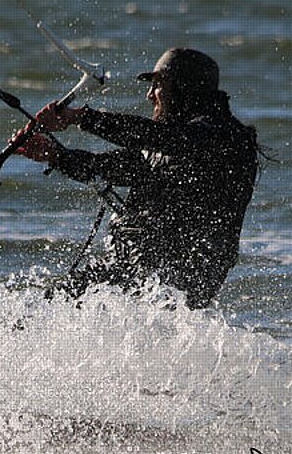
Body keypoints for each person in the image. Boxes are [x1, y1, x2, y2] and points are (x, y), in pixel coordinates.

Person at [14, 47, 260, 309]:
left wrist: (82, 117)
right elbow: (111, 167)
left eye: (158, 85)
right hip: (138, 272)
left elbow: (161, 138)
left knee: (61, 304)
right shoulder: (174, 141)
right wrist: (54, 155)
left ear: (184, 87)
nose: (150, 95)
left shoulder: (224, 138)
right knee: (52, 301)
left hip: (176, 280)